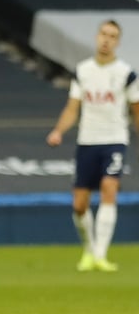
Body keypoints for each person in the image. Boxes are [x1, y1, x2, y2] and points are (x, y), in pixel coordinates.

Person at [46, 19, 139, 272]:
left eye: (112, 36)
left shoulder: (126, 73)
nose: (107, 39)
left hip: (114, 139)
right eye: (104, 34)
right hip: (87, 141)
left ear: (118, 42)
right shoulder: (83, 70)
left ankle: (100, 254)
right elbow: (73, 107)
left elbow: (136, 110)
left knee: (110, 188)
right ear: (97, 37)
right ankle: (90, 249)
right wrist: (58, 131)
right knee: (79, 204)